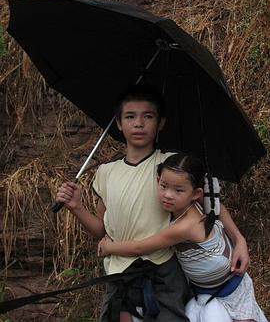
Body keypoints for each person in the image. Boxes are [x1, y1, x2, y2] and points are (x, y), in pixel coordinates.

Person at [56, 86, 250, 322]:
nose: (139, 123)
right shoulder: (105, 173)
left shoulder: (170, 165)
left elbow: (212, 204)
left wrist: (239, 240)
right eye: (130, 116)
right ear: (118, 123)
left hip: (163, 270)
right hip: (118, 271)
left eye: (148, 116)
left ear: (161, 123)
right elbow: (101, 231)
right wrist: (76, 207)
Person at [98, 153, 267, 322]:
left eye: (178, 190)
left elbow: (140, 248)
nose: (168, 195)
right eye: (164, 186)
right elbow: (218, 207)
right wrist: (239, 240)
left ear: (195, 193)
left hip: (231, 288)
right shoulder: (194, 203)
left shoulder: (185, 226)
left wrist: (109, 248)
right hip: (205, 291)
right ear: (157, 181)